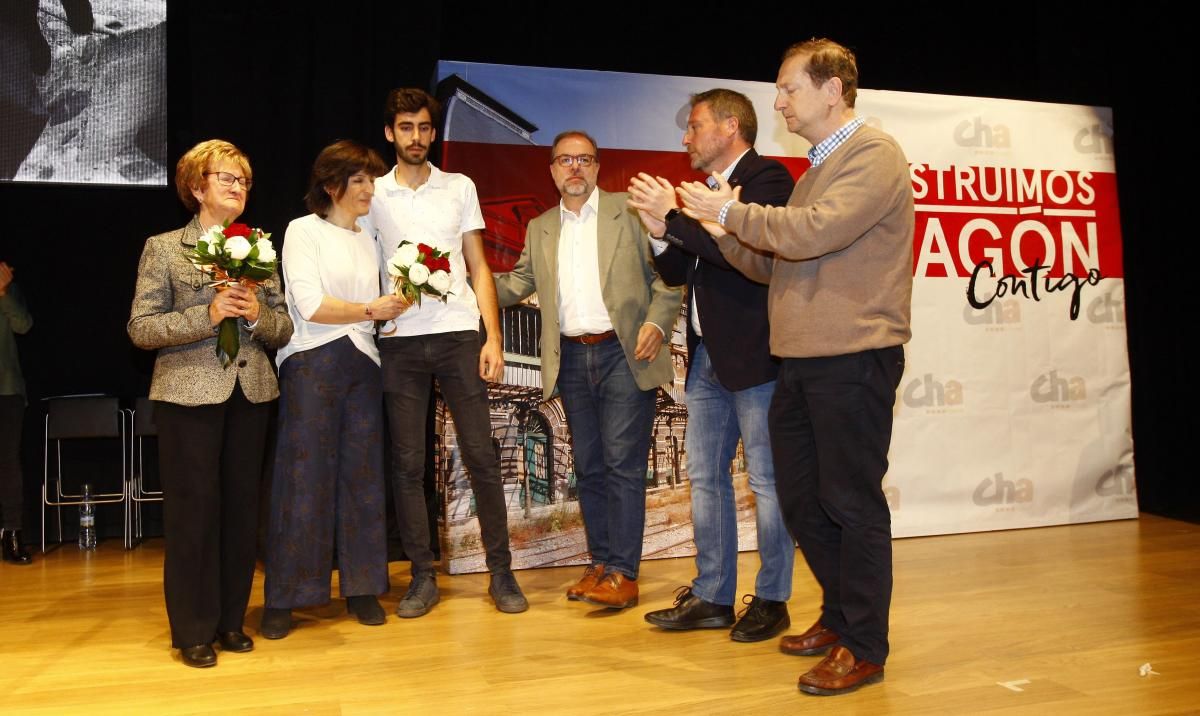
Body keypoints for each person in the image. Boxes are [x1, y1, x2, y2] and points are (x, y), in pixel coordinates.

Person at [676, 39, 914, 696]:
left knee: (851, 503)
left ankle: (865, 645)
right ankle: (838, 619)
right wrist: (727, 233)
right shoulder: (818, 169)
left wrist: (725, 210)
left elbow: (812, 232)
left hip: (853, 355)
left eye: (787, 89)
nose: (778, 102)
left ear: (831, 89)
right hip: (804, 360)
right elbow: (774, 261)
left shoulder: (873, 154)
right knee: (806, 504)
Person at [628, 89, 796, 640]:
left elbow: (742, 252)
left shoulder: (770, 180)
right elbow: (679, 271)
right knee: (706, 480)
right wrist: (659, 230)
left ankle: (773, 599)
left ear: (729, 127)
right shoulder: (705, 194)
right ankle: (713, 595)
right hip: (705, 359)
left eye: (695, 126)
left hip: (755, 356)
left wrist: (675, 217)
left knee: (768, 483)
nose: (686, 137)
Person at [495, 131, 683, 609]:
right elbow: (518, 282)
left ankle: (623, 572)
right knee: (591, 468)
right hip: (572, 358)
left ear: (598, 167)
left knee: (622, 466)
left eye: (584, 159)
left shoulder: (631, 211)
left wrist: (659, 327)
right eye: (564, 160)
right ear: (553, 171)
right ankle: (600, 563)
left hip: (625, 353)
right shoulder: (541, 227)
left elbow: (669, 278)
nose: (574, 168)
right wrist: (462, 281)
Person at [128, 139, 293, 668]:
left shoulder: (262, 249)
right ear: (196, 187)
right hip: (188, 395)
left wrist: (252, 316)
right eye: (226, 178)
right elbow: (141, 328)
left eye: (243, 181)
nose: (238, 188)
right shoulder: (164, 247)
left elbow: (282, 325)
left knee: (242, 514)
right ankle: (193, 629)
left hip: (252, 394)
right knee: (194, 515)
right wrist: (208, 314)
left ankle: (229, 620)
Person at [366, 88, 527, 616]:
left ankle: (501, 573)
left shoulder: (459, 186)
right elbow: (364, 261)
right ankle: (420, 576)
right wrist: (377, 309)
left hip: (459, 334)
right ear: (390, 133)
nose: (417, 137)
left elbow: (479, 267)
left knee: (481, 454)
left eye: (425, 128)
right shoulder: (374, 194)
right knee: (408, 463)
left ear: (434, 133)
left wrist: (493, 337)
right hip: (400, 342)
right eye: (406, 127)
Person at [260, 140, 407, 639]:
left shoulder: (370, 237)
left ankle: (363, 588)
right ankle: (285, 597)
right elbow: (307, 303)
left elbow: (378, 307)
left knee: (363, 479)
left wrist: (393, 309)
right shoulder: (303, 230)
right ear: (331, 185)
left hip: (363, 364)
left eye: (372, 180)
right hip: (310, 363)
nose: (370, 189)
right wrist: (370, 310)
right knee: (303, 481)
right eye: (360, 180)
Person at [0, 261, 33, 564]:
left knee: (8, 462)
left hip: (6, 388)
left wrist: (3, 291)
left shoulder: (8, 287)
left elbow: (23, 324)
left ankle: (12, 533)